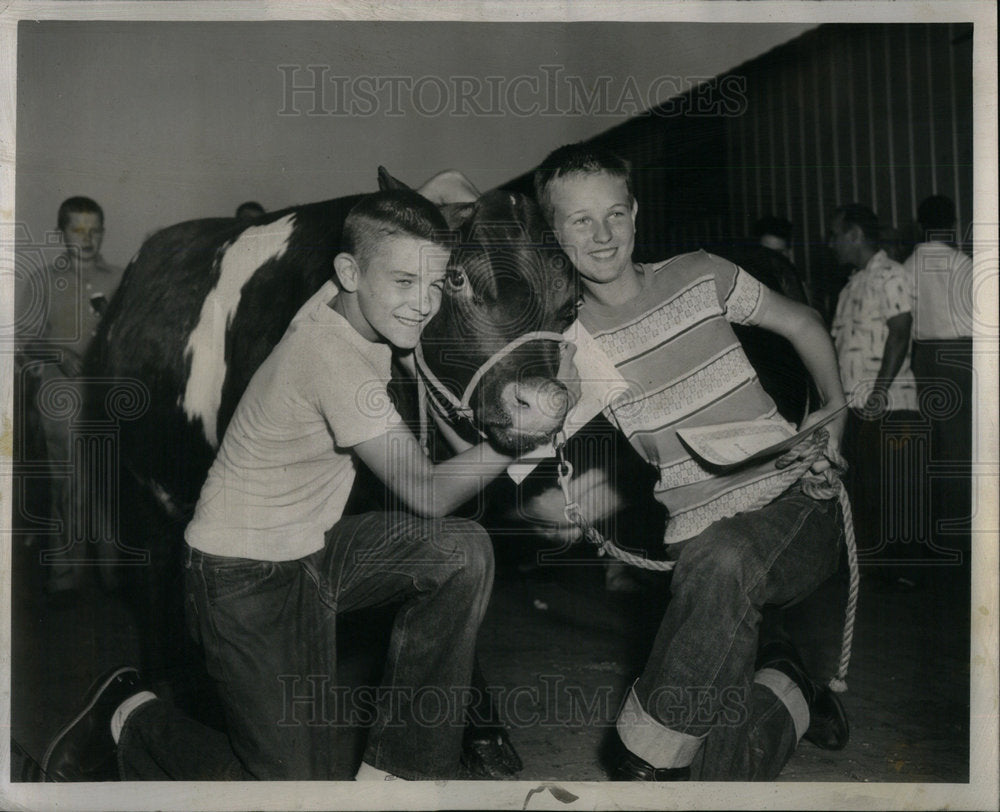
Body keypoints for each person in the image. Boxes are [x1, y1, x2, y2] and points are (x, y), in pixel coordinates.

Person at [40, 189, 567, 782]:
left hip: (312, 552)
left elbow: (386, 259)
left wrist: (422, 202)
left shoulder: (346, 302)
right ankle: (128, 719)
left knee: (461, 550)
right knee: (292, 792)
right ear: (347, 272)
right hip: (240, 577)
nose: (422, 305)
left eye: (435, 284)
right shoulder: (330, 356)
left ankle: (402, 772)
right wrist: (511, 441)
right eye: (402, 282)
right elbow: (427, 493)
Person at [529, 142, 849, 781]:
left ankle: (643, 752)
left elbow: (805, 324)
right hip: (697, 552)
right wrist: (552, 477)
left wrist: (836, 415)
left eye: (614, 214)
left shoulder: (700, 273)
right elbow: (536, 460)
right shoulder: (572, 344)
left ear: (636, 213)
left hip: (792, 503)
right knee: (719, 772)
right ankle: (787, 693)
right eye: (579, 220)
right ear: (551, 232)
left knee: (724, 557)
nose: (602, 235)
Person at [14, 196, 124, 595]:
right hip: (60, 397)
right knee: (69, 483)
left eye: (94, 229)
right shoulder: (42, 280)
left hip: (108, 398)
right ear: (61, 233)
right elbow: (24, 342)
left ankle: (113, 572)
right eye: (77, 229)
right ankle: (66, 572)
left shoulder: (119, 279)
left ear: (103, 232)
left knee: (108, 483)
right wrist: (58, 353)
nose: (87, 237)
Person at [828, 204, 923, 587]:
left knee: (896, 493)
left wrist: (879, 392)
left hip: (888, 404)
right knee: (864, 492)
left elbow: (900, 332)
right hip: (855, 405)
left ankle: (905, 573)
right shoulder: (852, 285)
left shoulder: (891, 274)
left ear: (854, 235)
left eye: (835, 235)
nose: (831, 243)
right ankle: (869, 571)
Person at [903, 195, 973, 555]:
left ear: (919, 225)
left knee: (936, 443)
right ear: (953, 224)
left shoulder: (910, 264)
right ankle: (960, 533)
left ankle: (937, 533)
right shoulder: (964, 264)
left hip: (926, 357)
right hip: (961, 355)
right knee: (961, 445)